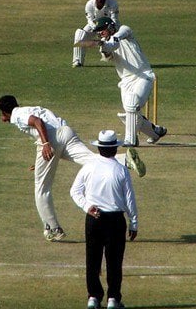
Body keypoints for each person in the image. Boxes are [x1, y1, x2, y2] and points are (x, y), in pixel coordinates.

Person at [0, 95, 145, 242]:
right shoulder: (29, 109)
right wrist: (43, 161)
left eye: (1, 114)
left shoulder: (17, 115)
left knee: (41, 188)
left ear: (4, 112)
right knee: (90, 160)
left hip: (51, 139)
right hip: (65, 131)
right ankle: (124, 160)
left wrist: (45, 144)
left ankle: (53, 228)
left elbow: (37, 121)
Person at [70, 130, 137, 309]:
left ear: (99, 148)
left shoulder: (89, 167)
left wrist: (87, 207)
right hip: (116, 220)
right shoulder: (121, 170)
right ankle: (113, 299)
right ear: (115, 149)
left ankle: (93, 297)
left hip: (94, 218)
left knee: (92, 259)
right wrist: (134, 222)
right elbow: (130, 199)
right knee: (114, 261)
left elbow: (74, 191)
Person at [93, 17, 166, 147]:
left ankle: (130, 140)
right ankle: (155, 132)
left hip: (143, 75)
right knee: (128, 114)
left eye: (102, 29)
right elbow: (109, 52)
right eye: (98, 31)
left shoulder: (124, 30)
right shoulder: (105, 44)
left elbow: (117, 39)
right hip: (126, 81)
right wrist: (104, 47)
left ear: (110, 27)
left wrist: (108, 43)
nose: (100, 33)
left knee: (132, 104)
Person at [72, 0, 119, 68]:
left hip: (110, 25)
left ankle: (113, 55)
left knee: (115, 39)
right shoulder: (89, 4)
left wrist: (108, 31)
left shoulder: (113, 3)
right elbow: (90, 20)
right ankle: (77, 61)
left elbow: (114, 20)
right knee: (79, 33)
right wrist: (97, 29)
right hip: (95, 25)